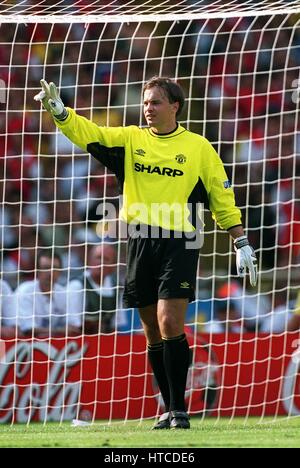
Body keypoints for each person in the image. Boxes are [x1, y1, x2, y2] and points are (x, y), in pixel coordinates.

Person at [34, 77, 257, 429]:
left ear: (175, 106)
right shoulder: (131, 139)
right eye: (146, 102)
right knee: (152, 329)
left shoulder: (198, 147)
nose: (148, 108)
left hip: (181, 239)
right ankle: (168, 408)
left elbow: (220, 196)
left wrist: (239, 240)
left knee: (171, 321)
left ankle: (180, 409)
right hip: (139, 240)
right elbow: (89, 133)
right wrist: (60, 112)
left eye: (155, 102)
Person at [15, 250, 82, 337]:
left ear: (60, 272)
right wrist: (60, 331)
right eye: (46, 268)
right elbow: (28, 330)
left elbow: (74, 326)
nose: (50, 273)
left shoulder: (63, 293)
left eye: (55, 268)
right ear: (37, 271)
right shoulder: (25, 291)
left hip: (57, 346)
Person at [70, 243, 118, 334]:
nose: (101, 262)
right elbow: (73, 327)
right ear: (89, 261)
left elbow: (116, 326)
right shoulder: (77, 286)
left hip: (107, 341)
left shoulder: (116, 287)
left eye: (106, 259)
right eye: (98, 257)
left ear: (113, 266)